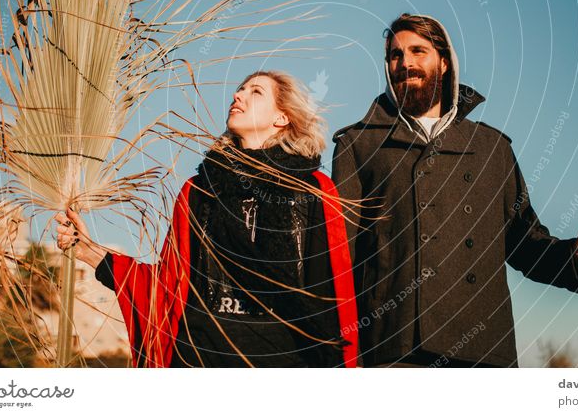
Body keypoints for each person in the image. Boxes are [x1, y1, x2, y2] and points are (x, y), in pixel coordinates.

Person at [331, 13, 578, 368]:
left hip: (483, 351)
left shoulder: (491, 147)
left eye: (418, 51)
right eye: (395, 55)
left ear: (445, 62)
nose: (406, 63)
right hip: (393, 349)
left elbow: (526, 243)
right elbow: (339, 257)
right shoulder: (359, 144)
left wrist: (577, 256)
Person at [56, 71, 358, 367]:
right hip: (201, 357)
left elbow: (331, 294)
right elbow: (167, 286)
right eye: (240, 89)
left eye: (255, 91)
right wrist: (89, 251)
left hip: (286, 361)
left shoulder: (313, 190)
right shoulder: (199, 190)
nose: (237, 95)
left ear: (282, 118)